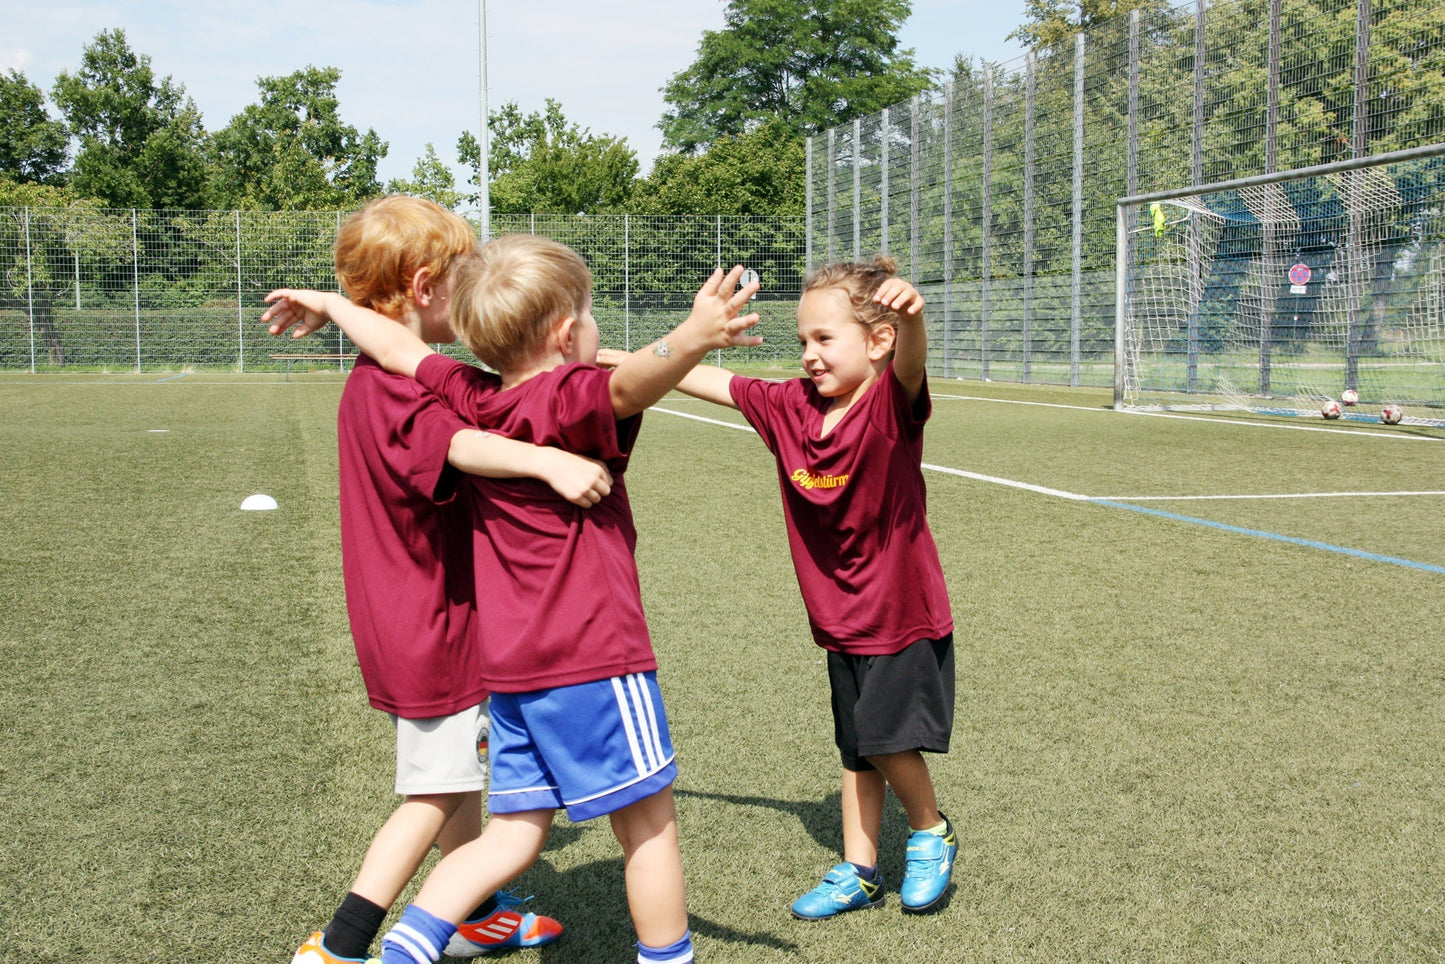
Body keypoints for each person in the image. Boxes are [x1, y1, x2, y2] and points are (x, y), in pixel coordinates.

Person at [263, 235, 762, 964]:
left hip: (511, 669)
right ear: (566, 335)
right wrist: (692, 337)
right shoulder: (572, 395)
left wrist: (335, 303)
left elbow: (403, 353)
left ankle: (404, 951)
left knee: (513, 833)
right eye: (589, 315)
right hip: (593, 656)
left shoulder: (472, 395)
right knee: (647, 827)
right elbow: (628, 387)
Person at [265, 197, 603, 964]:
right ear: (424, 287)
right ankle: (341, 942)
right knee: (437, 788)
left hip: (412, 616)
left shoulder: (387, 370)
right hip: (430, 623)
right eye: (467, 276)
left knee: (455, 769)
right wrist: (545, 459)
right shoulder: (397, 389)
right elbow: (463, 449)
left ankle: (477, 912)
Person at [608, 255, 957, 919]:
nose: (809, 355)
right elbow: (711, 379)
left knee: (885, 740)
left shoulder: (887, 406)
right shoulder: (787, 408)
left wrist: (912, 321)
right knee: (856, 747)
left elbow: (909, 367)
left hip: (899, 614)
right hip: (837, 618)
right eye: (802, 341)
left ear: (876, 341)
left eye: (825, 340)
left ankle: (930, 831)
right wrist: (622, 357)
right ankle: (859, 870)